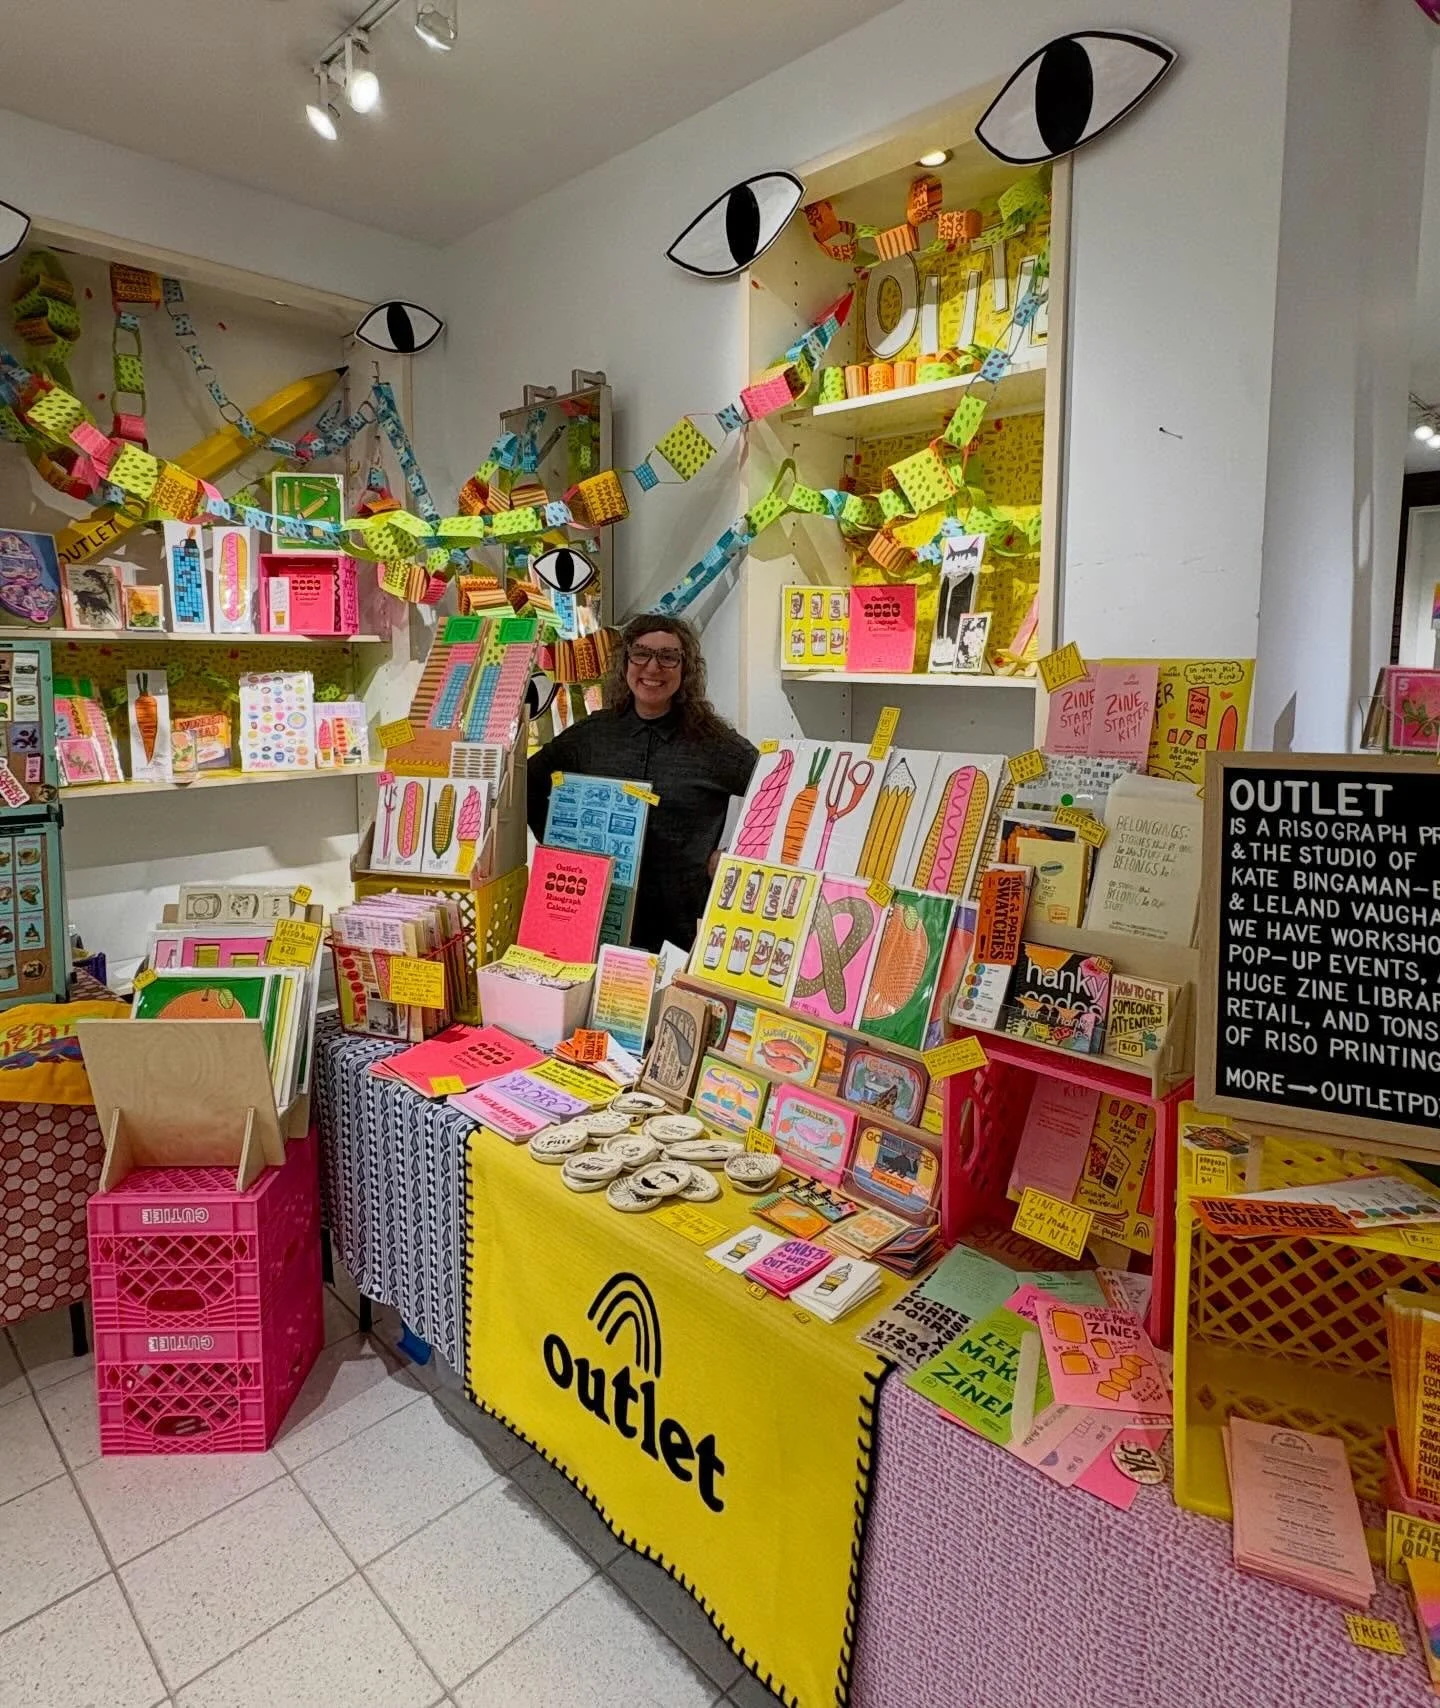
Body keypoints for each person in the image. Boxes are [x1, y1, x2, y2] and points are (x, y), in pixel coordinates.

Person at [527, 614, 757, 953]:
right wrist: (561, 844)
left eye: (668, 656)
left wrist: (737, 857)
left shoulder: (713, 742)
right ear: (625, 663)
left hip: (684, 932)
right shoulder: (593, 735)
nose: (653, 667)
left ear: (685, 668)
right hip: (597, 921)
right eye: (641, 653)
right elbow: (529, 783)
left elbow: (780, 792)